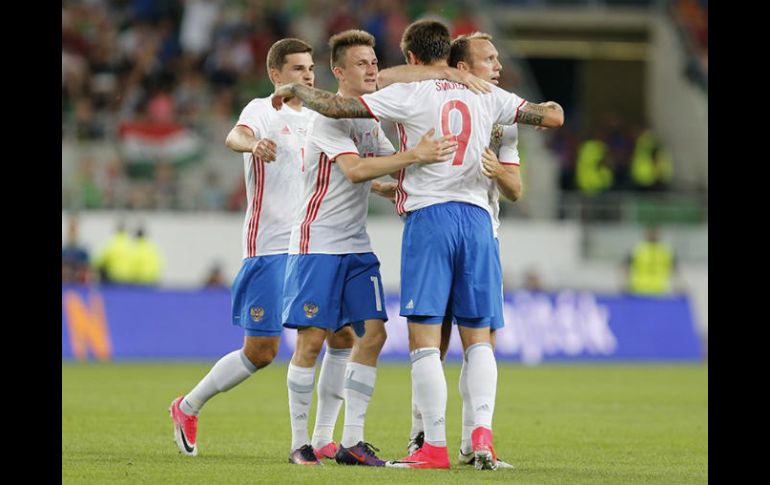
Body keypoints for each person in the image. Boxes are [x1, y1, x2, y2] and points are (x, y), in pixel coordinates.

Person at [272, 19, 563, 470]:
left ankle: (431, 446)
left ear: (409, 58)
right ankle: (480, 439)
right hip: (481, 222)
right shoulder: (491, 96)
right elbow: (552, 115)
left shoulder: (407, 93)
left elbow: (337, 106)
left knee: (426, 340)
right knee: (479, 338)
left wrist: (296, 90)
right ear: (452, 56)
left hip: (431, 218)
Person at [168, 38, 355, 463]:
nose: (308, 75)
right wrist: (253, 146)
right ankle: (188, 406)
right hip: (270, 247)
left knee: (344, 334)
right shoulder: (262, 110)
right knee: (262, 351)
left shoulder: (321, 116)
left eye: (310, 68)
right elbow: (236, 135)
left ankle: (324, 436)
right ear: (276, 75)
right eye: (297, 69)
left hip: (316, 243)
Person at [281, 29, 459, 467]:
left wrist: (429, 185)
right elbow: (358, 170)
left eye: (375, 61)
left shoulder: (369, 119)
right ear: (339, 72)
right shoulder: (327, 120)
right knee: (312, 342)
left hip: (356, 246)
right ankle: (301, 443)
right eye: (362, 63)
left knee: (372, 335)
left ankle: (350, 440)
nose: (373, 69)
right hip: (317, 244)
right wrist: (414, 156)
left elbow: (383, 176)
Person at [389, 31, 521, 470]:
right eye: (489, 58)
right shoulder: (496, 104)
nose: (497, 65)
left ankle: (462, 442)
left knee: (435, 337)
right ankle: (430, 435)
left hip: (453, 223)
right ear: (461, 65)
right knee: (462, 340)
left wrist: (499, 169)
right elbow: (554, 115)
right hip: (478, 226)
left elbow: (516, 188)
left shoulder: (497, 112)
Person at [625, 226, 678, 295]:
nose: (652, 235)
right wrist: (625, 283)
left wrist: (677, 285)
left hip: (659, 289)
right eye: (651, 233)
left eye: (654, 233)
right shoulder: (637, 249)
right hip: (638, 288)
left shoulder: (665, 250)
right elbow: (626, 266)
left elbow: (674, 268)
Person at [62, 215, 92, 284]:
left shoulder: (82, 251)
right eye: (71, 230)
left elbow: (89, 269)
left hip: (80, 284)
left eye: (74, 230)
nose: (72, 233)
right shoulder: (64, 251)